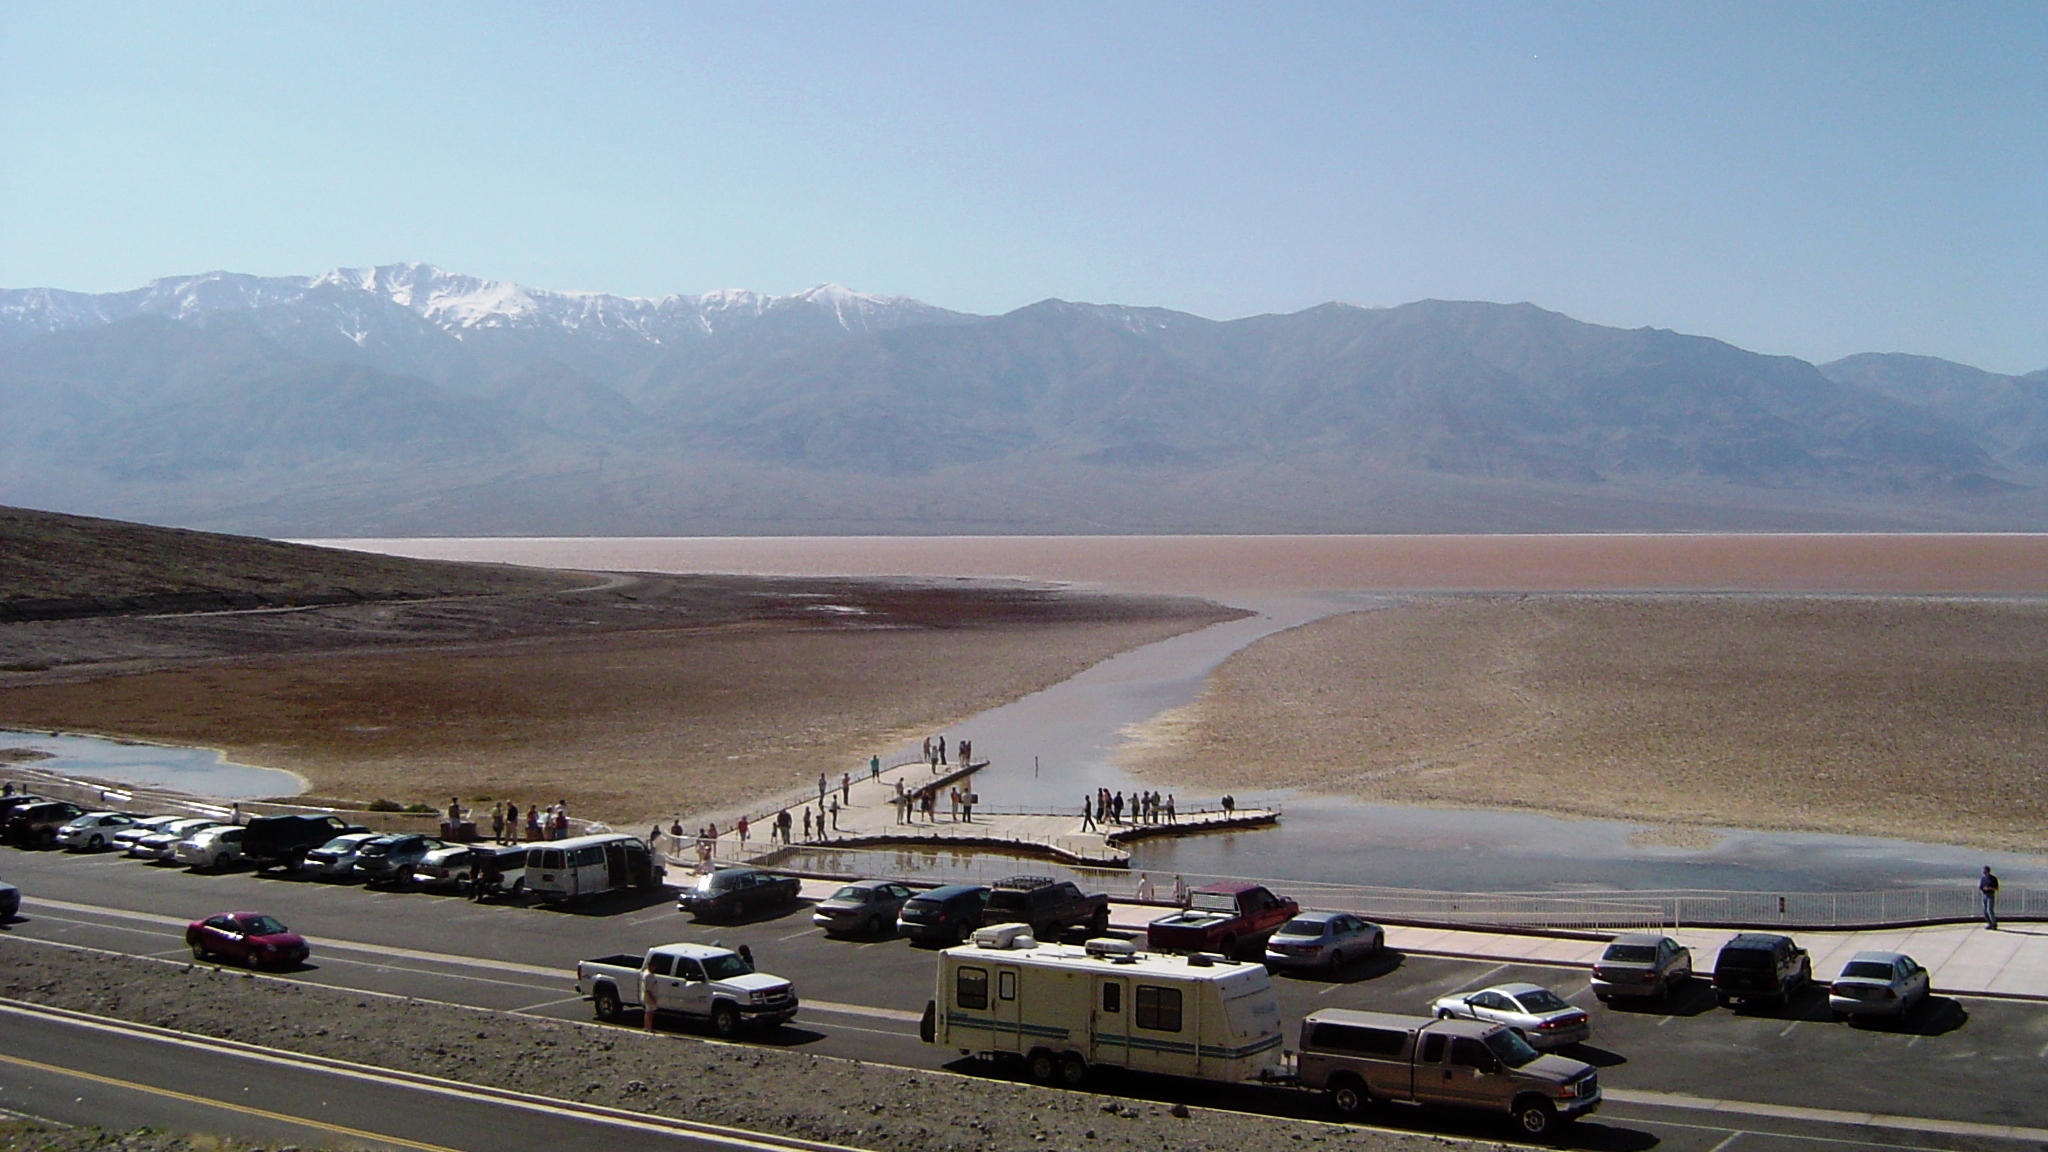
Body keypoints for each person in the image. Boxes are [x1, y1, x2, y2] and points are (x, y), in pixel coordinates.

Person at [1981, 865, 2001, 930]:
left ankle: (1994, 923)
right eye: (1983, 872)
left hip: (1990, 895)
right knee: (1985, 911)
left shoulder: (1993, 879)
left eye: (1985, 871)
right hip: (1984, 895)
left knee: (1989, 910)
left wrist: (1990, 888)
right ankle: (1989, 923)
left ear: (1988, 871)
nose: (1984, 873)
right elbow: (1980, 886)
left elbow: (1997, 888)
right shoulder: (1983, 879)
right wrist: (1983, 888)